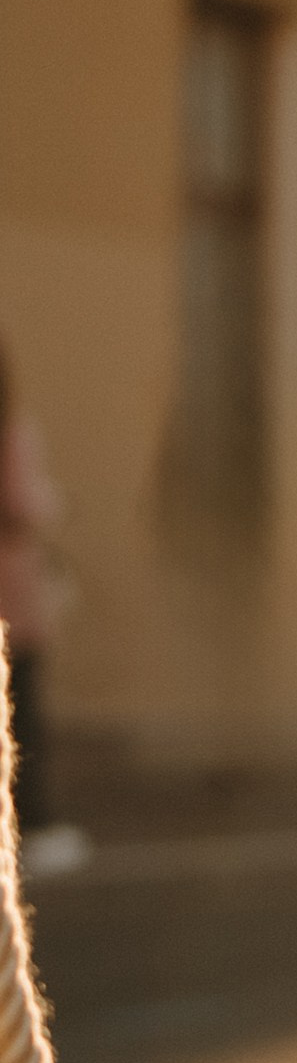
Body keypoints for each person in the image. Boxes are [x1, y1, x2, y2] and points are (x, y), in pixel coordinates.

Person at [0, 343, 84, 879]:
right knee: (21, 713)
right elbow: (22, 503)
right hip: (12, 592)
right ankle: (32, 825)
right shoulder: (13, 432)